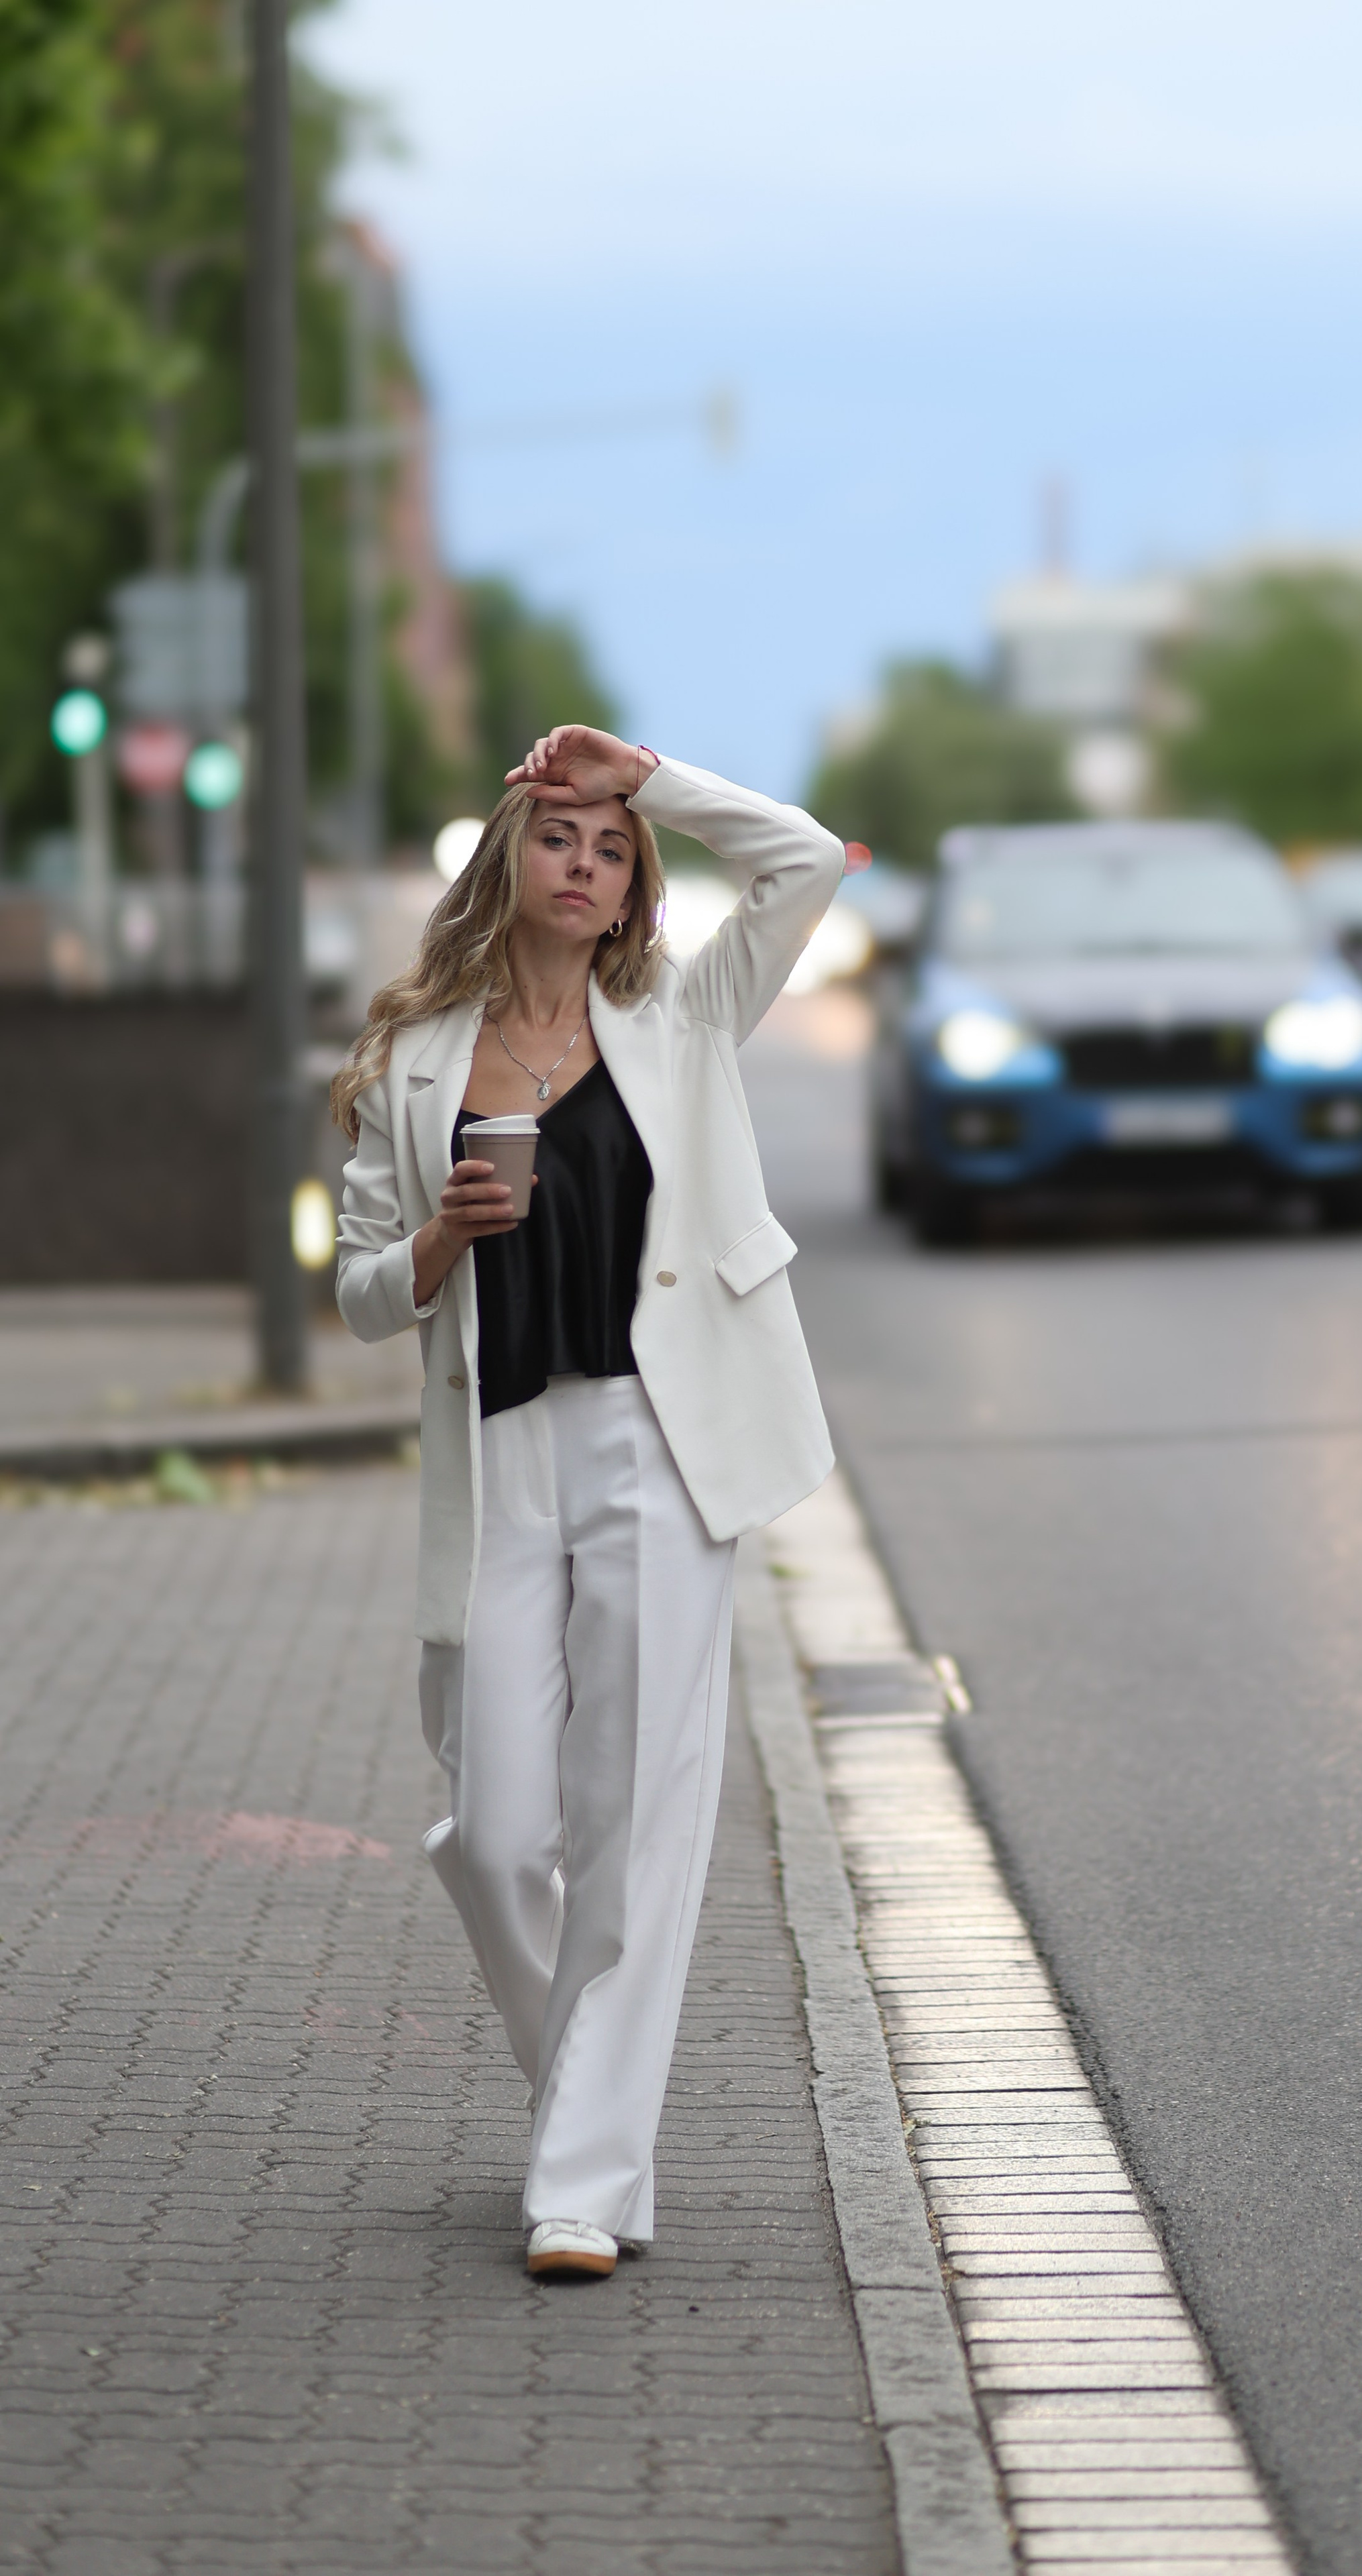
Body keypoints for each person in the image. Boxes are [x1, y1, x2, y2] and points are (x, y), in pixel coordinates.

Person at [331, 725, 847, 2278]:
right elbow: (359, 1293)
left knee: (634, 1823)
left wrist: (654, 776)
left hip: (660, 1443)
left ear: (634, 885)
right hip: (502, 1458)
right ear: (509, 859)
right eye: (560, 836)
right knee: (494, 1834)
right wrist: (433, 1245)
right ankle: (590, 2100)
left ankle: (581, 2183)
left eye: (610, 846)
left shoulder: (680, 1013)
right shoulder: (410, 1060)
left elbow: (805, 859)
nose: (585, 864)